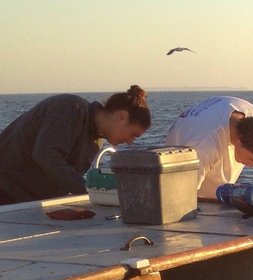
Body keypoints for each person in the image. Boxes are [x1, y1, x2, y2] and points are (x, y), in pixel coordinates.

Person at [0, 86, 150, 204]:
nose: (130, 142)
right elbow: (45, 155)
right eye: (133, 134)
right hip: (6, 192)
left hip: (29, 202)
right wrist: (88, 191)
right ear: (121, 117)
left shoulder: (97, 141)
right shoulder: (71, 108)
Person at [164, 96, 253, 199]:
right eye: (252, 160)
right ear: (240, 141)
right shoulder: (204, 145)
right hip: (186, 184)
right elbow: (180, 197)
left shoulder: (252, 113)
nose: (251, 166)